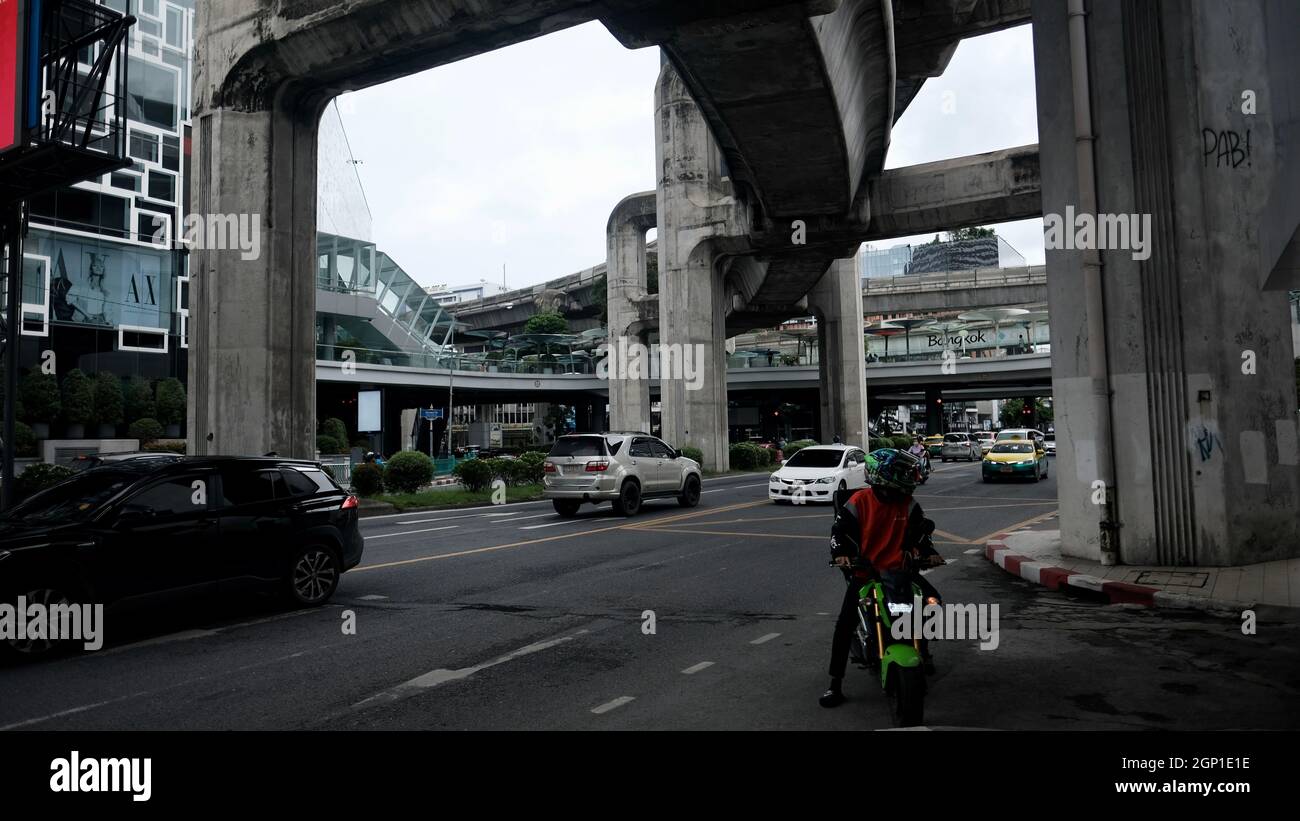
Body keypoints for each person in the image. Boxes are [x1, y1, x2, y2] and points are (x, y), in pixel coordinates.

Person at [819, 449, 944, 708]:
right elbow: (838, 533)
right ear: (882, 473)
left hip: (901, 573)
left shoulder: (909, 504)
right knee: (845, 625)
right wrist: (841, 553)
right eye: (903, 472)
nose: (910, 476)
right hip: (867, 574)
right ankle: (835, 684)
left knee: (933, 603)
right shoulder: (858, 502)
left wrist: (929, 553)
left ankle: (924, 649)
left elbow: (922, 535)